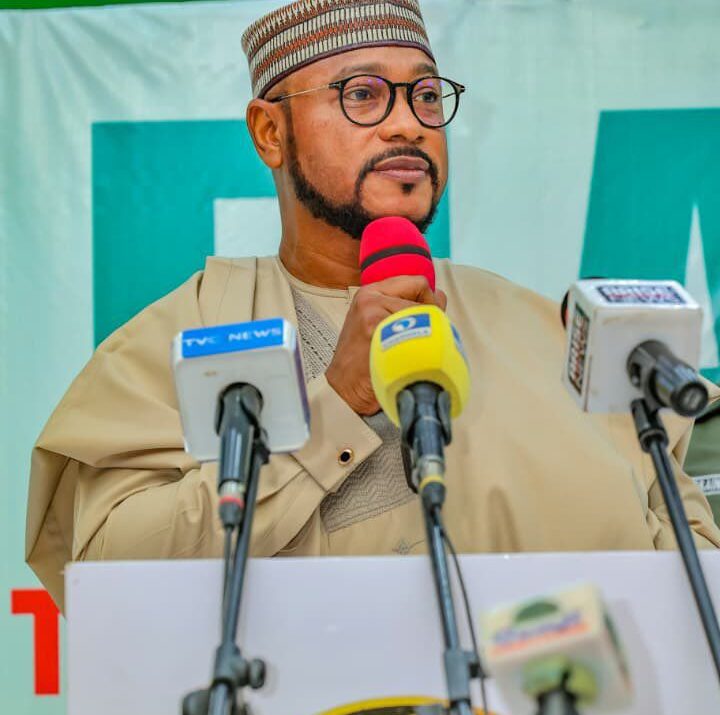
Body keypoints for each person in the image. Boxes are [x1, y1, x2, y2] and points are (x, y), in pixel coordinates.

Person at [26, 0, 720, 611]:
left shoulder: (548, 334)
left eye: (426, 96)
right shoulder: (181, 336)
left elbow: (693, 568)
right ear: (270, 132)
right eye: (362, 94)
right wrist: (335, 406)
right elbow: (106, 579)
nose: (407, 125)